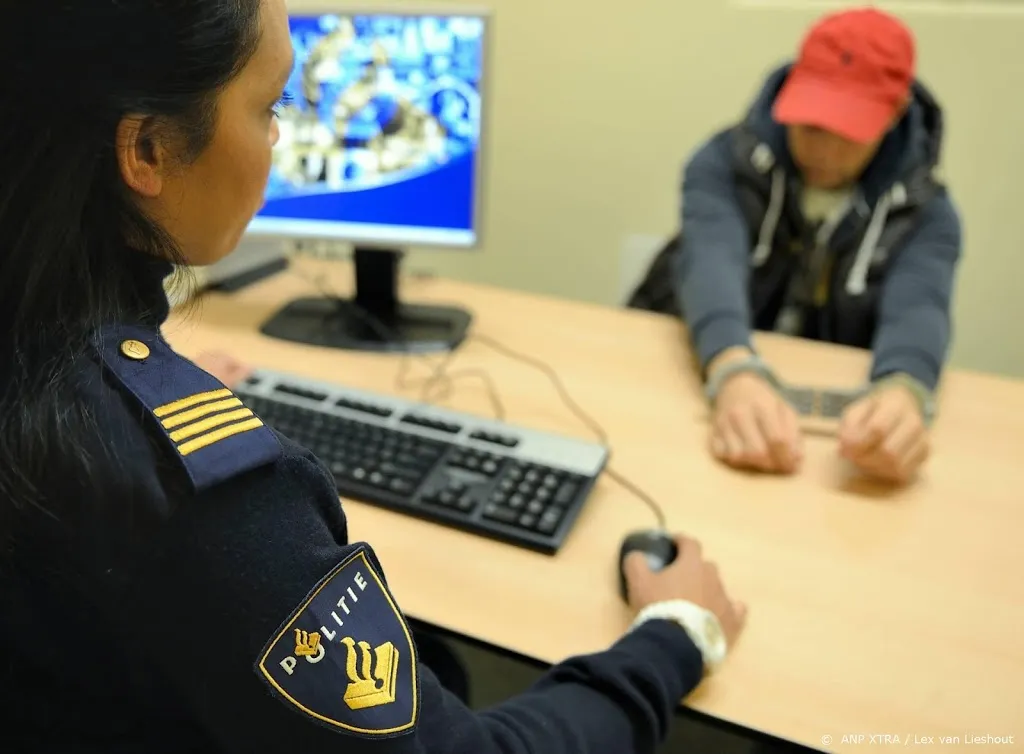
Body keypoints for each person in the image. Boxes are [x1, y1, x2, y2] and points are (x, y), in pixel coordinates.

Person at [0, 2, 747, 752]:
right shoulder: (204, 498)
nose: (280, 136)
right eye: (271, 105)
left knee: (439, 662)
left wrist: (139, 395)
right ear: (149, 150)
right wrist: (673, 637)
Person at [630, 7, 961, 484]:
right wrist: (733, 370)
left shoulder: (928, 214)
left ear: (893, 114)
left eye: (846, 133)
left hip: (822, 442)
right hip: (703, 383)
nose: (823, 152)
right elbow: (710, 262)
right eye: (809, 125)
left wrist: (904, 392)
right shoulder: (722, 164)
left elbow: (919, 309)